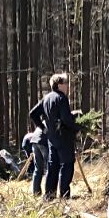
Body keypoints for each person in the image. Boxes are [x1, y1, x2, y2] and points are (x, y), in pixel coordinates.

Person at [29, 72, 79, 201]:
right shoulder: (61, 98)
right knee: (67, 165)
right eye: (66, 83)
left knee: (52, 166)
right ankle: (64, 196)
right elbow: (66, 119)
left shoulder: (46, 98)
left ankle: (49, 196)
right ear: (60, 85)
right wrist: (76, 127)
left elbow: (33, 114)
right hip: (64, 137)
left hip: (52, 138)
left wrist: (44, 128)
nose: (68, 86)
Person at [20, 126, 46, 195]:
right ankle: (30, 170)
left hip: (29, 143)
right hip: (29, 142)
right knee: (34, 160)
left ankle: (36, 191)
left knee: (34, 162)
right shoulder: (38, 133)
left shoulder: (35, 132)